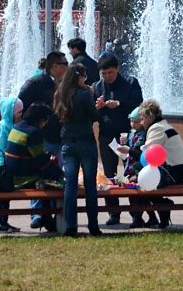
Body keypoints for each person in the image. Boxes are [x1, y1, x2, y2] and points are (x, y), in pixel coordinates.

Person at [19, 52, 68, 229]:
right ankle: (38, 213)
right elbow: (20, 103)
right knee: (39, 174)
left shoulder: (64, 83)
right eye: (64, 63)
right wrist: (31, 126)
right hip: (42, 138)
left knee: (56, 177)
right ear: (54, 66)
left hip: (59, 136)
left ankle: (53, 215)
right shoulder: (37, 82)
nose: (67, 66)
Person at [92, 54, 142, 225]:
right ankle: (114, 213)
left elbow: (139, 105)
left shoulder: (130, 83)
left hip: (128, 135)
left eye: (110, 73)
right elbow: (92, 114)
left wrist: (119, 104)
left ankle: (137, 214)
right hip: (107, 135)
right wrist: (97, 108)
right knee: (109, 174)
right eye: (104, 74)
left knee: (132, 173)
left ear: (118, 69)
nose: (107, 77)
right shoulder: (97, 87)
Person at [54, 63, 102, 236]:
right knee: (90, 185)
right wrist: (99, 105)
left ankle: (70, 227)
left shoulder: (61, 93)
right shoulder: (84, 94)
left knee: (70, 186)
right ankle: (93, 226)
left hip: (67, 142)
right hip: (86, 142)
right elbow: (94, 116)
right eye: (84, 76)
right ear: (80, 76)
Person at [4, 102, 63, 233]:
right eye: (45, 120)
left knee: (49, 178)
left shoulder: (17, 127)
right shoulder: (34, 133)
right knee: (56, 184)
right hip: (23, 178)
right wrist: (61, 175)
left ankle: (45, 219)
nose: (46, 123)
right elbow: (41, 163)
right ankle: (49, 220)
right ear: (40, 120)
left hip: (11, 175)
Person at [133, 99, 183, 229]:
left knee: (141, 180)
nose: (141, 122)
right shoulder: (164, 126)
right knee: (142, 178)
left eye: (142, 119)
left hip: (173, 172)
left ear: (149, 116)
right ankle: (161, 208)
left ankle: (161, 205)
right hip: (178, 170)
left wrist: (128, 151)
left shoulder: (157, 128)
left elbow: (146, 153)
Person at [119, 107, 159, 228]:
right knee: (134, 195)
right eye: (131, 121)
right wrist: (124, 144)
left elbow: (139, 153)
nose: (133, 124)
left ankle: (139, 218)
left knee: (140, 195)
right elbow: (130, 149)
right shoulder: (132, 133)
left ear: (142, 121)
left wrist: (128, 149)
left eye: (136, 122)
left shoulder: (144, 135)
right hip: (130, 168)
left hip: (140, 169)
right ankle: (145, 218)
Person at [0, 97, 23, 233]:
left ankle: (3, 222)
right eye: (18, 112)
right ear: (11, 112)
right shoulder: (3, 126)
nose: (20, 114)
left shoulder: (11, 125)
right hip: (3, 166)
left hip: (9, 166)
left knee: (6, 197)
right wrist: (0, 166)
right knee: (2, 197)